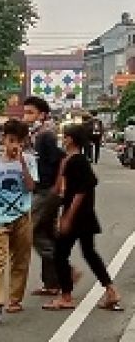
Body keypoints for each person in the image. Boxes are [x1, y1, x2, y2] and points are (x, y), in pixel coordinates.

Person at [43, 124, 123, 312]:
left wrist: (68, 217)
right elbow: (60, 189)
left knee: (60, 254)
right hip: (83, 214)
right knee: (89, 253)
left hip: (78, 215)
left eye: (65, 136)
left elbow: (82, 190)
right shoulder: (71, 160)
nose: (63, 139)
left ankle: (66, 296)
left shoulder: (77, 161)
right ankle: (111, 291)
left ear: (70, 139)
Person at [0, 119, 36, 324]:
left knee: (21, 260)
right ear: (3, 139)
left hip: (22, 215)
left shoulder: (30, 160)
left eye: (19, 141)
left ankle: (15, 299)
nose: (15, 145)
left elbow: (31, 186)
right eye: (11, 140)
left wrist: (22, 162)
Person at [22, 96, 66, 297]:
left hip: (47, 190)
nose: (26, 116)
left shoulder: (46, 135)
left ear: (42, 114)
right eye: (25, 112)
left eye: (30, 112)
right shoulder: (36, 134)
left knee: (29, 229)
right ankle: (53, 282)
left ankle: (61, 269)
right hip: (41, 188)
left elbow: (61, 160)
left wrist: (58, 186)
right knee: (46, 233)